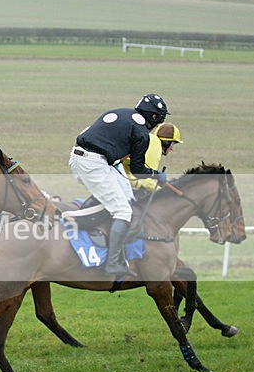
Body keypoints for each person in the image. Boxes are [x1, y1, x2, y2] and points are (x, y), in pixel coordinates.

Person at [69, 93, 169, 276]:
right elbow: (139, 170)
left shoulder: (121, 113)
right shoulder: (141, 133)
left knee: (127, 198)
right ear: (154, 117)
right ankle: (112, 262)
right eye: (160, 119)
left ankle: (101, 227)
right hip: (94, 163)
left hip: (83, 157)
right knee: (123, 211)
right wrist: (157, 175)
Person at [121, 122, 183, 194]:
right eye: (173, 144)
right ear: (167, 142)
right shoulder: (156, 145)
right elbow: (145, 179)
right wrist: (163, 193)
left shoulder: (151, 140)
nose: (172, 149)